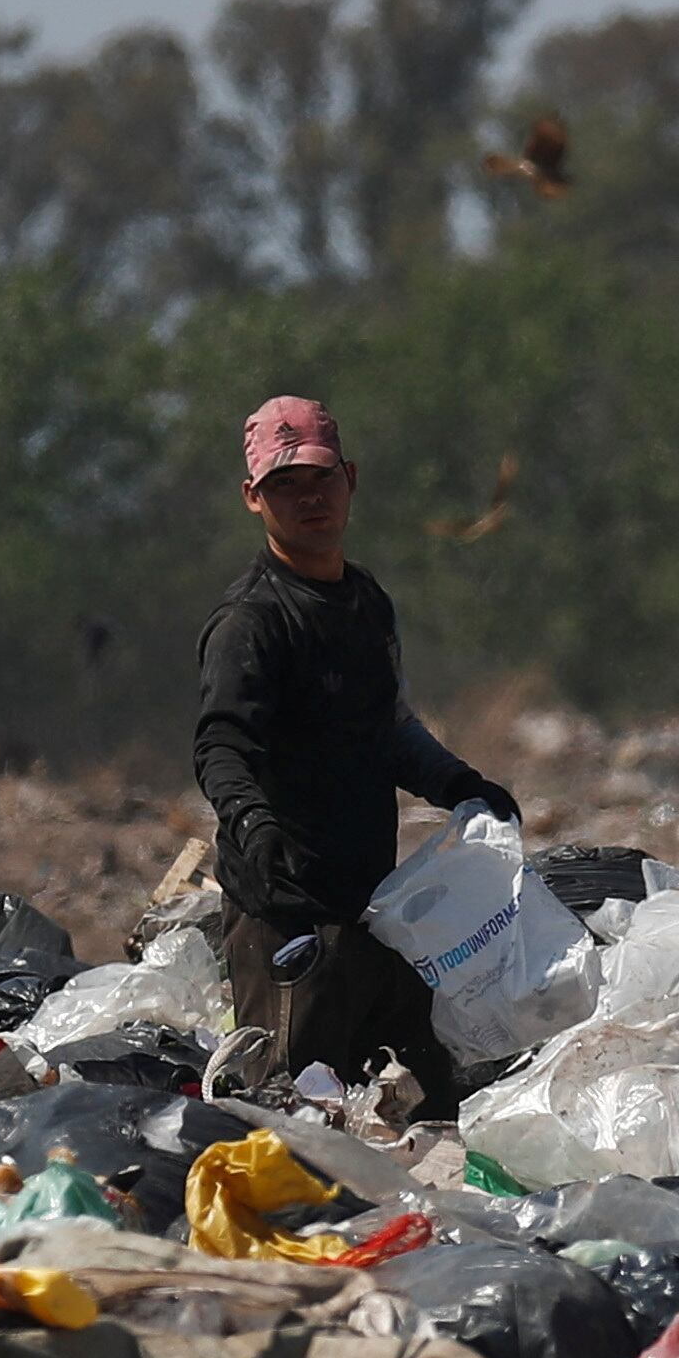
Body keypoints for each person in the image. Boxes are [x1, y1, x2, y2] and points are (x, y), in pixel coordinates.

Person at [190, 395, 518, 1111]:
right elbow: (220, 746)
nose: (308, 497)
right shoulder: (252, 620)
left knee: (422, 1106)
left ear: (350, 479)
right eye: (284, 485)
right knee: (297, 1114)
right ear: (253, 498)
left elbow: (390, 728)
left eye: (319, 477)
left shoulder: (366, 604)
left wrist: (459, 784)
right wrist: (254, 823)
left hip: (373, 908)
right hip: (286, 916)